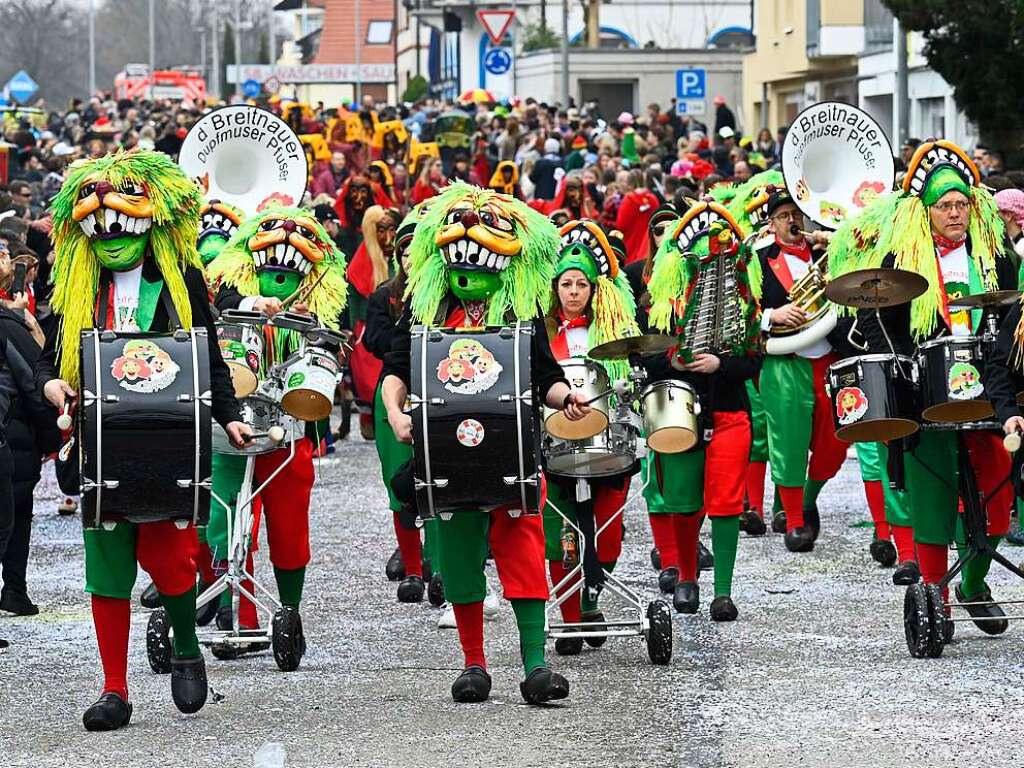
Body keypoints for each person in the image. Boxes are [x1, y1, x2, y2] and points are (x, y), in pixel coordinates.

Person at [37, 150, 249, 731]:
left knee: (171, 558)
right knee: (106, 566)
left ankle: (185, 643)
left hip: (167, 438)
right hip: (100, 441)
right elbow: (47, 358)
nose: (110, 234)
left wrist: (227, 415)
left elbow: (208, 353)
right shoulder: (75, 285)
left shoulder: (180, 279)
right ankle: (114, 688)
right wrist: (51, 383)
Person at [380, 182, 590, 705]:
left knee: (522, 552)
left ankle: (535, 665)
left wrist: (567, 398)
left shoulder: (519, 315)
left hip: (511, 452)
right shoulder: (425, 313)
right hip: (444, 455)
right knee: (458, 556)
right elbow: (395, 372)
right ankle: (473, 663)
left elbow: (546, 374)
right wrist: (394, 413)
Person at [828, 139, 1017, 631]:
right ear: (927, 211)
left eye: (961, 204)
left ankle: (973, 583)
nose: (955, 213)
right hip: (927, 394)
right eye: (945, 206)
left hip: (987, 393)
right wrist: (903, 367)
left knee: (998, 497)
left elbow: (1014, 317)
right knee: (932, 500)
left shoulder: (997, 257)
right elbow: (874, 323)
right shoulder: (901, 258)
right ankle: (936, 598)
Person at [205, 205, 349, 657]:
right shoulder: (231, 285)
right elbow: (221, 305)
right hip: (233, 426)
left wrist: (315, 331)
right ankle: (236, 612)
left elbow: (331, 350)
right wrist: (256, 306)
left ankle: (289, 610)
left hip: (287, 431)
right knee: (224, 520)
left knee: (289, 531)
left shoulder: (323, 300)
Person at [645, 204, 761, 619]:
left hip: (730, 411)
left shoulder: (746, 299)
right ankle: (688, 579)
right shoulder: (662, 300)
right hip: (679, 411)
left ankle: (724, 591)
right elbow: (647, 357)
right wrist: (675, 361)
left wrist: (720, 364)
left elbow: (754, 360)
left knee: (728, 502)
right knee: (682, 498)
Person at [542, 220, 640, 653]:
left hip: (606, 444)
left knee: (609, 533)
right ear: (556, 288)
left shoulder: (613, 333)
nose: (575, 291)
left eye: (583, 284)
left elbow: (632, 384)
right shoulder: (538, 335)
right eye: (567, 283)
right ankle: (569, 620)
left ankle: (590, 597)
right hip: (552, 445)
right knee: (558, 535)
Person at [752, 190, 849, 553]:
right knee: (788, 444)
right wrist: (770, 316)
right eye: (783, 216)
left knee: (836, 442)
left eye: (797, 213)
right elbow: (740, 308)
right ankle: (794, 521)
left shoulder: (827, 253)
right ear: (771, 224)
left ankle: (809, 498)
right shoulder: (759, 261)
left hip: (828, 358)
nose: (792, 220)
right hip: (784, 360)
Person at [615, 169, 659, 264]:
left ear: (629, 184)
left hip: (630, 247)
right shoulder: (653, 199)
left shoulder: (628, 200)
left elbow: (620, 226)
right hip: (648, 248)